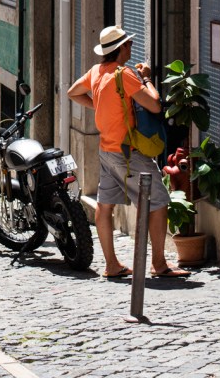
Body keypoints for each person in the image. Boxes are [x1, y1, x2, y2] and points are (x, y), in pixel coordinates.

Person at [68, 24, 189, 280]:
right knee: (158, 202)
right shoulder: (125, 75)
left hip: (107, 150)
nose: (131, 47)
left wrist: (99, 107)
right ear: (121, 48)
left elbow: (73, 92)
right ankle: (159, 263)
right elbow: (155, 105)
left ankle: (111, 264)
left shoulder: (97, 72)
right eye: (129, 44)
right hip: (129, 153)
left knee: (104, 205)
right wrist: (146, 77)